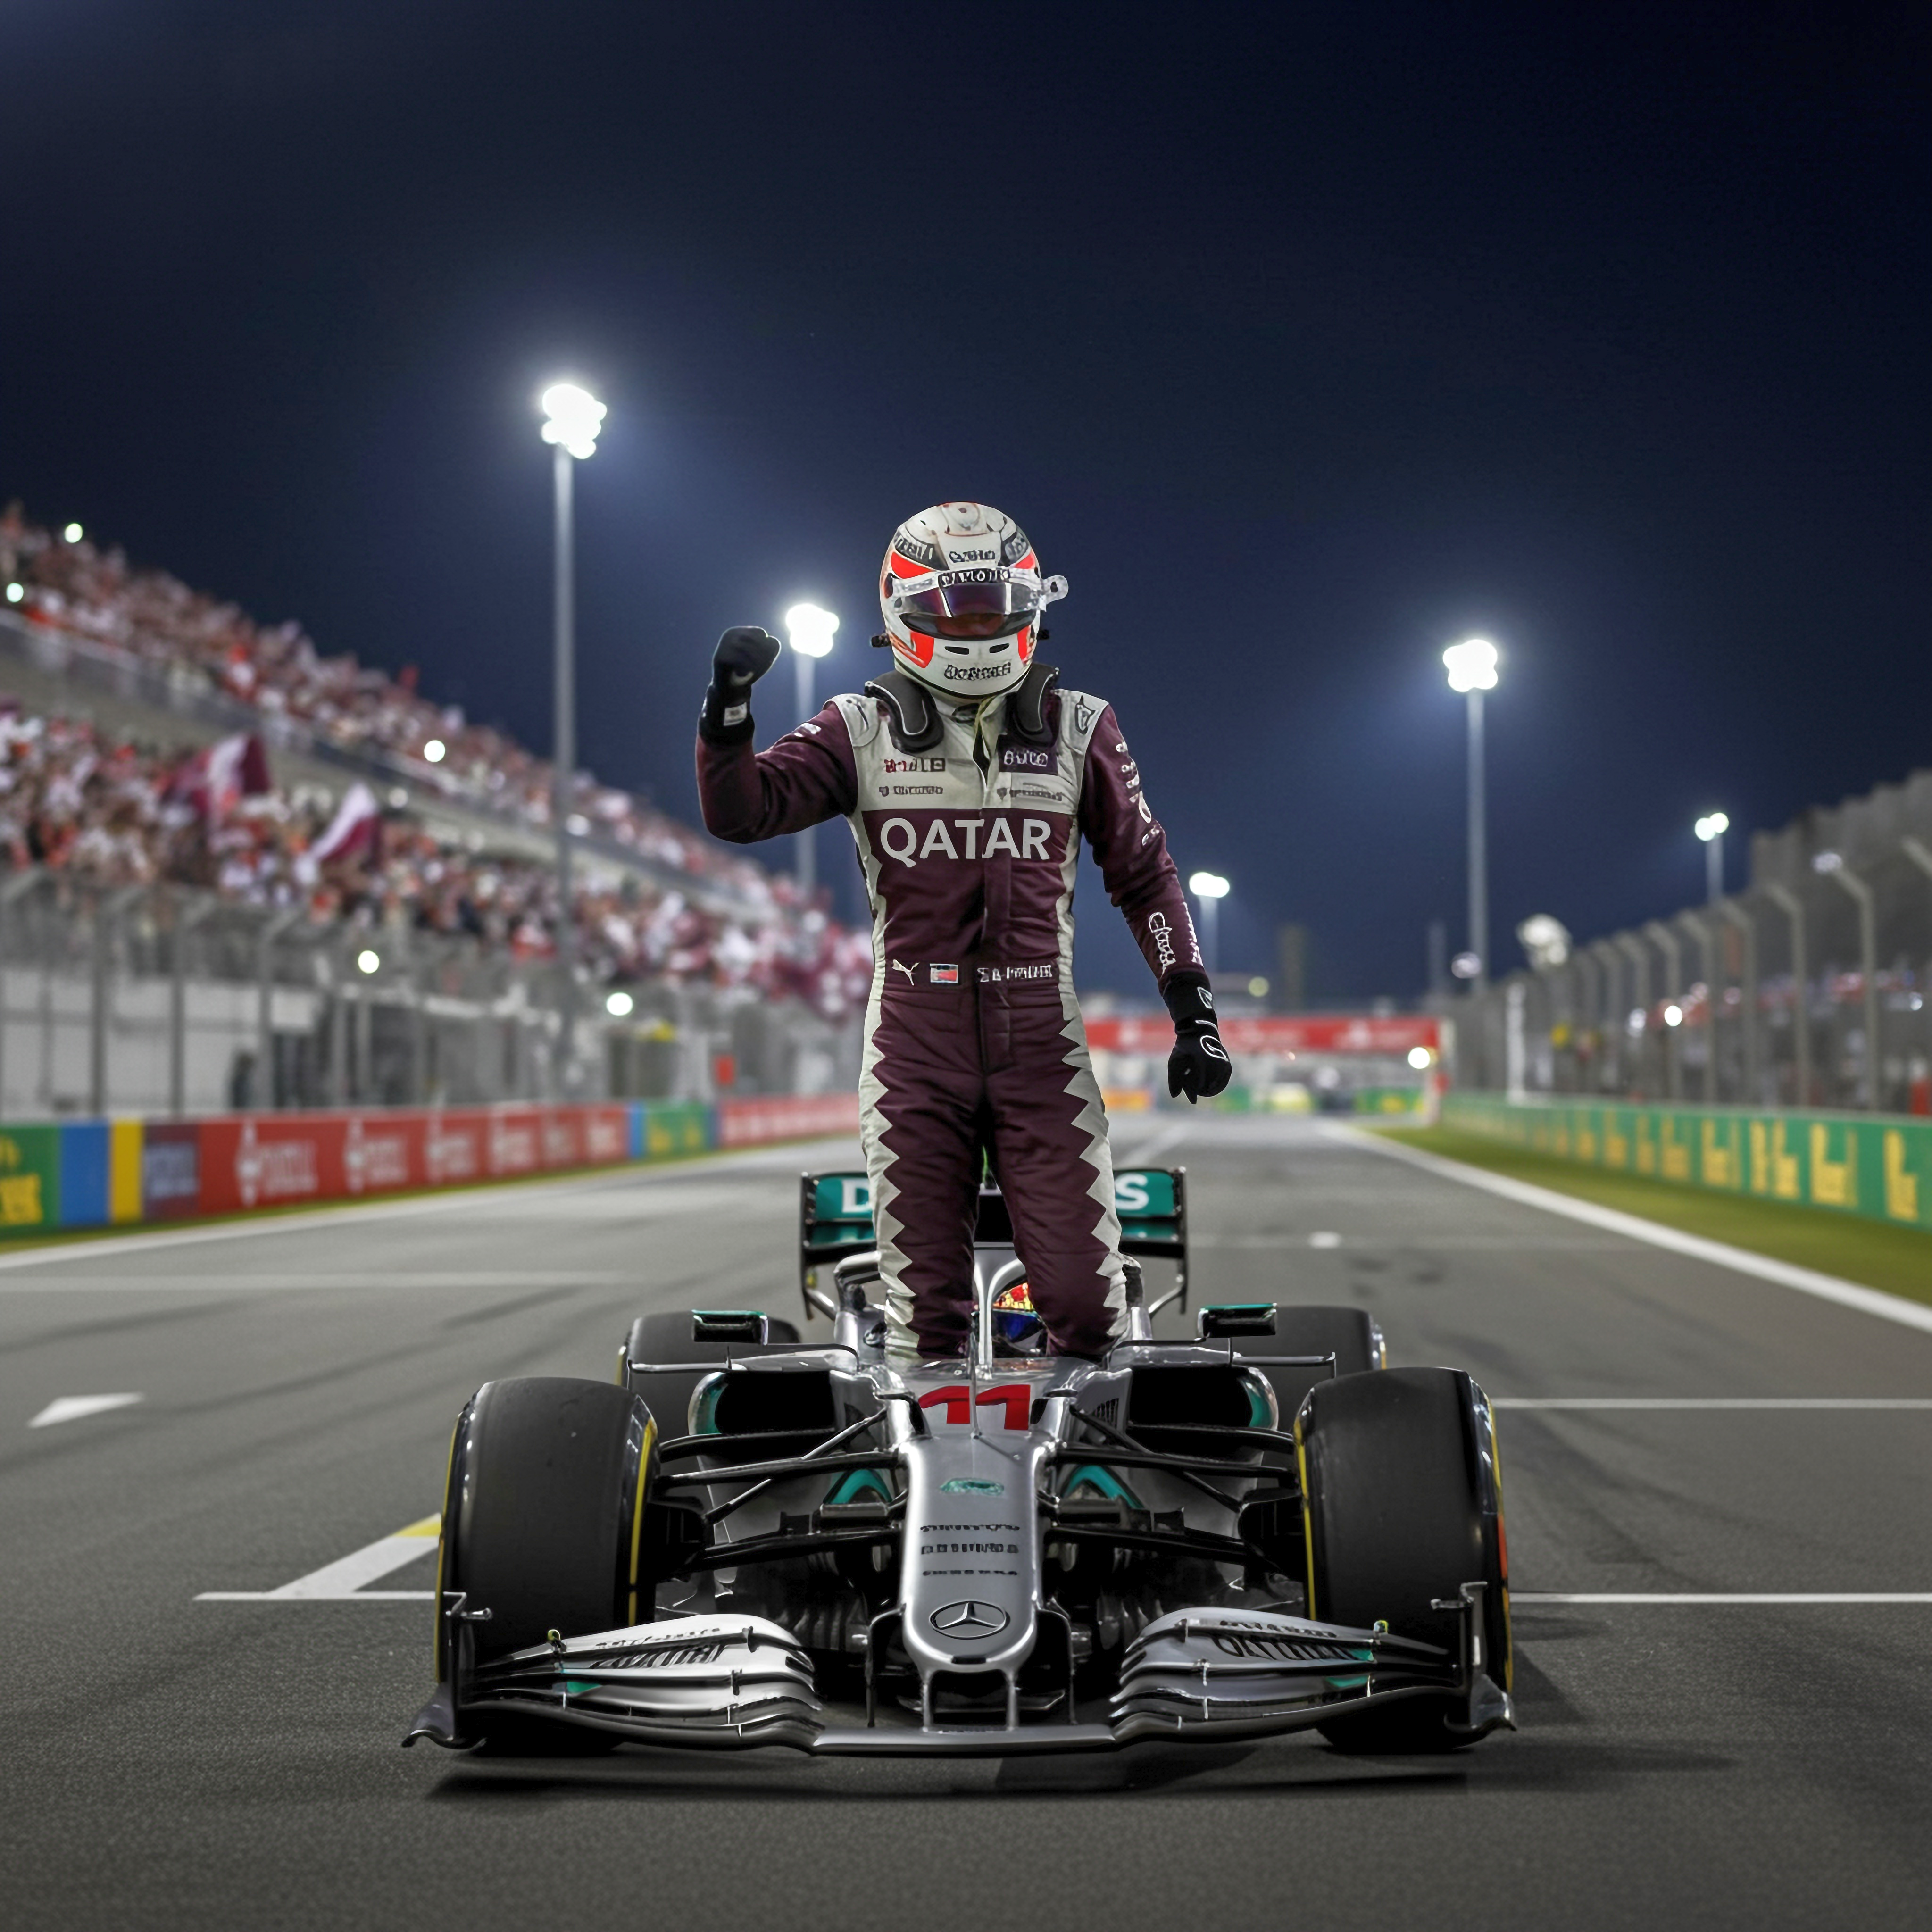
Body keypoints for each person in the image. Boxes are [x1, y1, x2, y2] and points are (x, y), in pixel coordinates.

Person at [696, 500, 1230, 1358]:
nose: (979, 629)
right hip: (913, 1040)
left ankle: (1070, 1481)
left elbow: (1145, 876)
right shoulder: (856, 728)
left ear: (1032, 606)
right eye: (958, 611)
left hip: (1041, 1040)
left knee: (1087, 1314)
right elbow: (743, 812)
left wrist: (1194, 1010)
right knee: (928, 1323)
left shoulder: (1082, 726)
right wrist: (728, 711)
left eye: (994, 607)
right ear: (905, 611)